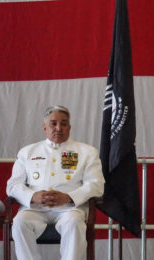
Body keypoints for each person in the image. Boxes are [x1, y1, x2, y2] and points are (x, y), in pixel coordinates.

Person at [7, 105, 105, 260]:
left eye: (64, 123)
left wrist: (70, 197)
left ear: (70, 127)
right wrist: (32, 196)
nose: (58, 128)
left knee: (74, 223)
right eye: (53, 123)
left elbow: (96, 185)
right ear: (44, 127)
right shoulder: (28, 152)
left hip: (69, 208)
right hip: (35, 208)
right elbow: (13, 185)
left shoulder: (87, 152)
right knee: (19, 223)